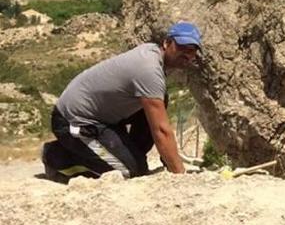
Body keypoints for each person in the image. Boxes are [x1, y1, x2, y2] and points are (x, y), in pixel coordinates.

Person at [41, 22, 203, 182]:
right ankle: (56, 156)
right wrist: (180, 175)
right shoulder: (148, 69)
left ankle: (129, 156)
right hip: (73, 121)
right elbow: (161, 130)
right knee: (129, 171)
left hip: (103, 118)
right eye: (182, 47)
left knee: (160, 100)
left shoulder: (152, 56)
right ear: (167, 43)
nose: (187, 55)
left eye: (192, 51)